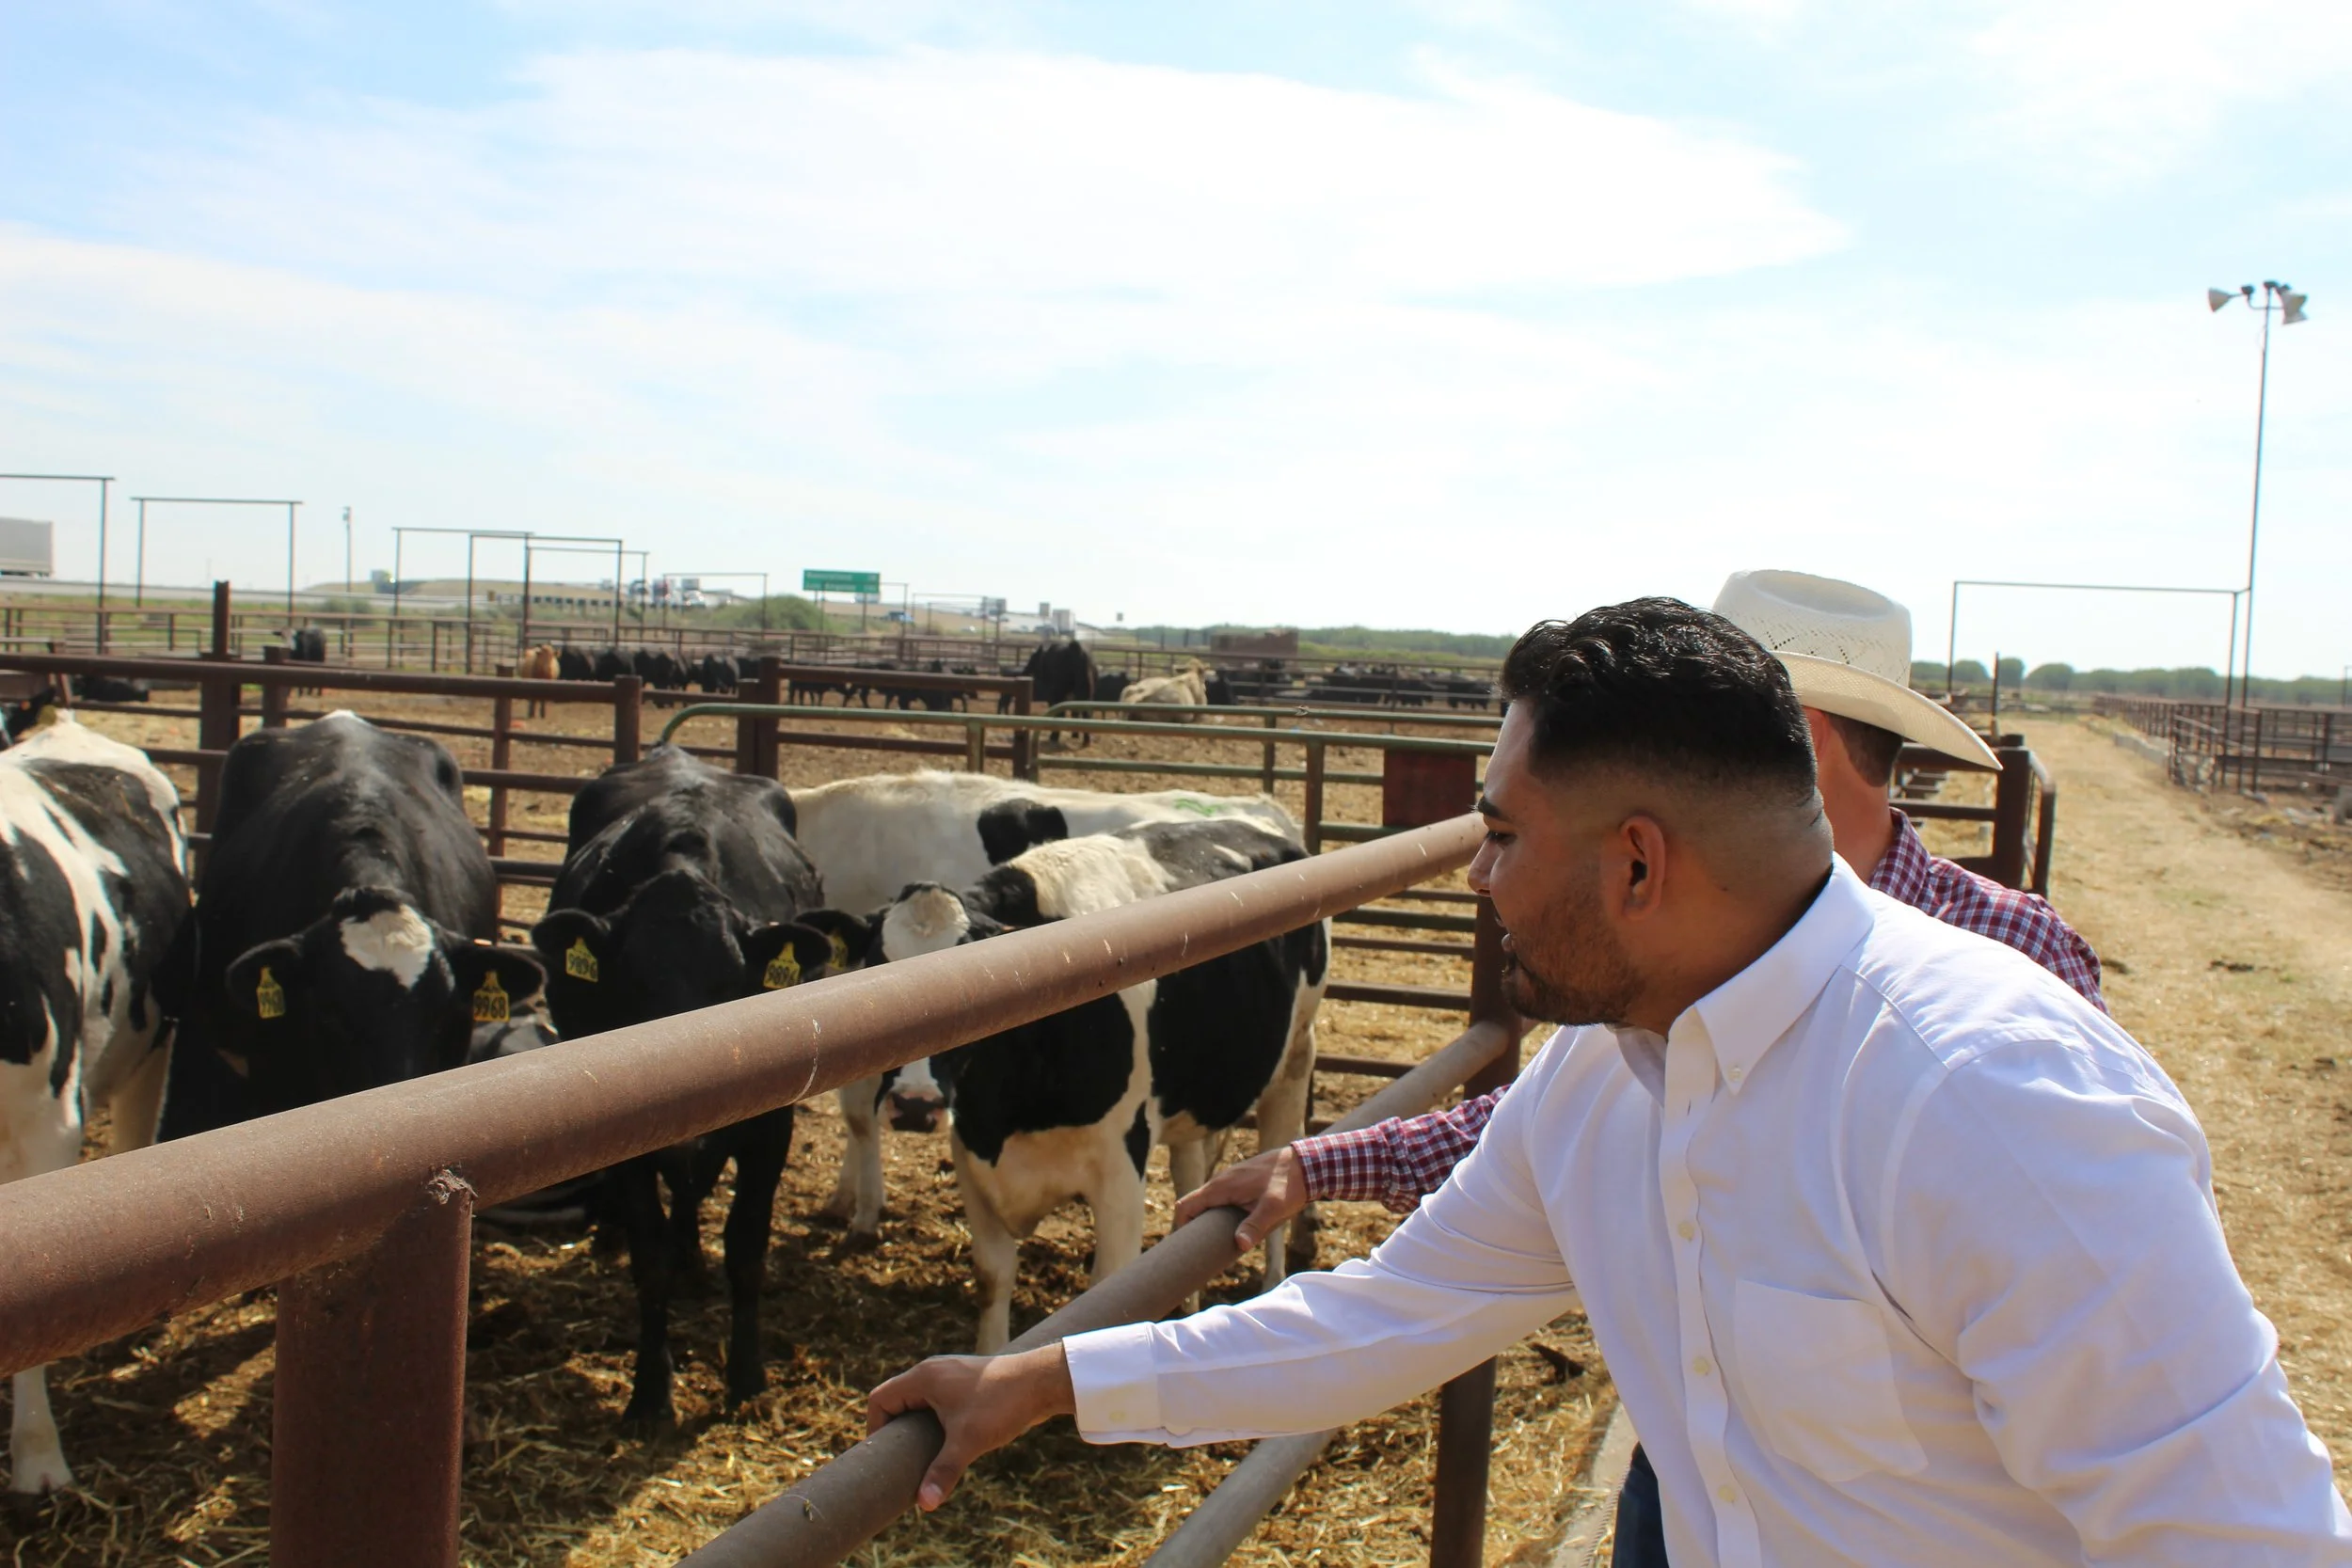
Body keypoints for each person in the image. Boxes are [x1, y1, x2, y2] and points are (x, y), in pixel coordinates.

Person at [869, 597, 2351, 1565]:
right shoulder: (1601, 1078)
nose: (1480, 879)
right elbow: (1393, 1313)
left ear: (1638, 861)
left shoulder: (1990, 1099)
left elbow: (2236, 1539)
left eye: (1502, 837)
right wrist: (1042, 1378)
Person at [1177, 568, 2108, 1565]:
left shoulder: (2006, 982)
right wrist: (1324, 1163)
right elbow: (1547, 1134)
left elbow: (2103, 1339)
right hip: (1691, 1432)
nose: (1484, 874)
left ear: (1788, 728)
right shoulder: (1669, 962)